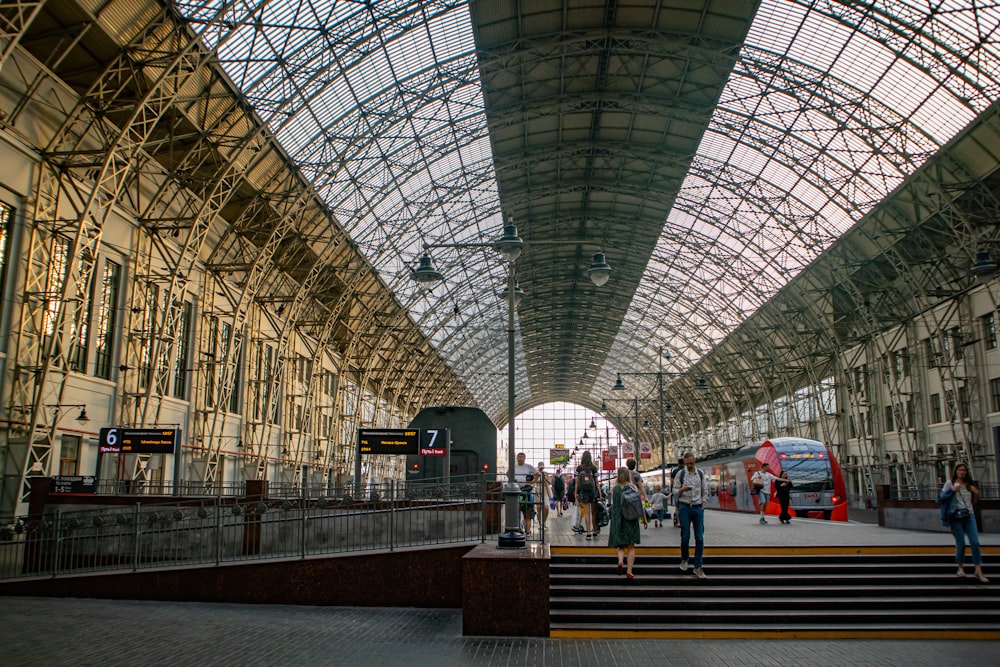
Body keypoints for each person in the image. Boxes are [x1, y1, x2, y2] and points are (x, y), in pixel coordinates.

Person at [939, 462, 988, 583]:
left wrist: (976, 493)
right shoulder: (950, 483)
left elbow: (974, 502)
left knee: (975, 542)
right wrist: (952, 491)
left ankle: (978, 570)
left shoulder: (969, 484)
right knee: (961, 543)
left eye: (964, 470)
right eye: (960, 470)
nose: (962, 472)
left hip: (969, 515)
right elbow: (941, 498)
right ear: (955, 471)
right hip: (955, 516)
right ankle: (960, 567)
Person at [673, 452, 708, 579]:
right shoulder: (680, 474)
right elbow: (674, 491)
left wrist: (704, 503)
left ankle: (698, 566)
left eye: (691, 463)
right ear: (684, 462)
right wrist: (682, 489)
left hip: (698, 507)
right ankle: (684, 559)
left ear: (694, 461)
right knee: (685, 535)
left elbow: (705, 489)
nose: (690, 465)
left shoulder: (700, 474)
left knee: (699, 537)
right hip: (684, 507)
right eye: (687, 463)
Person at [608, 466, 641, 579]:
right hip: (630, 519)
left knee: (621, 546)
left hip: (618, 520)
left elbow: (614, 505)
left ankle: (620, 561)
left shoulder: (615, 489)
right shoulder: (633, 488)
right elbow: (638, 505)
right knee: (631, 546)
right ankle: (629, 571)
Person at [575, 451, 600, 539]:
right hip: (592, 492)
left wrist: (576, 492)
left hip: (583, 492)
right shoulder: (593, 468)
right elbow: (597, 482)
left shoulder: (579, 468)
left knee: (586, 513)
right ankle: (595, 531)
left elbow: (577, 482)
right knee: (593, 512)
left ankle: (588, 533)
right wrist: (600, 494)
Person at [513, 452, 538, 535]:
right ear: (517, 458)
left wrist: (532, 482)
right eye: (519, 456)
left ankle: (528, 530)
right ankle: (518, 529)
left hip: (527, 491)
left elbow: (537, 474)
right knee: (516, 511)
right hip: (516, 491)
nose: (520, 458)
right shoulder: (513, 466)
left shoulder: (528, 466)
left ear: (524, 458)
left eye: (522, 457)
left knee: (528, 512)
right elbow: (507, 473)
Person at [625, 458, 648, 529]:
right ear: (634, 466)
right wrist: (645, 497)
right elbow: (641, 487)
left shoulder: (625, 473)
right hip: (635, 496)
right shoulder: (636, 474)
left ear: (627, 465)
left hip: (625, 496)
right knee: (636, 510)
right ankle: (638, 524)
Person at [670, 457, 684, 527]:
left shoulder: (675, 471)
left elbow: (672, 482)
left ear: (678, 463)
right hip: (685, 491)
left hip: (677, 492)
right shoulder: (686, 470)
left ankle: (678, 522)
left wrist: (673, 490)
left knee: (677, 507)